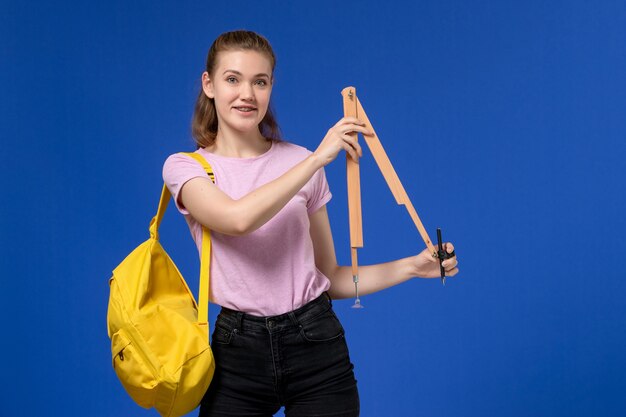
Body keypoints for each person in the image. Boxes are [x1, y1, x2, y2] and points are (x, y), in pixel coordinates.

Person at [163, 30, 459, 417]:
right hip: (237, 353)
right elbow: (236, 220)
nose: (247, 94)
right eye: (232, 79)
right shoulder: (186, 167)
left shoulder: (298, 160)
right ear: (209, 85)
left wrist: (411, 267)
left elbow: (331, 277)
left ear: (271, 88)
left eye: (260, 81)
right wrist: (317, 160)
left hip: (315, 340)